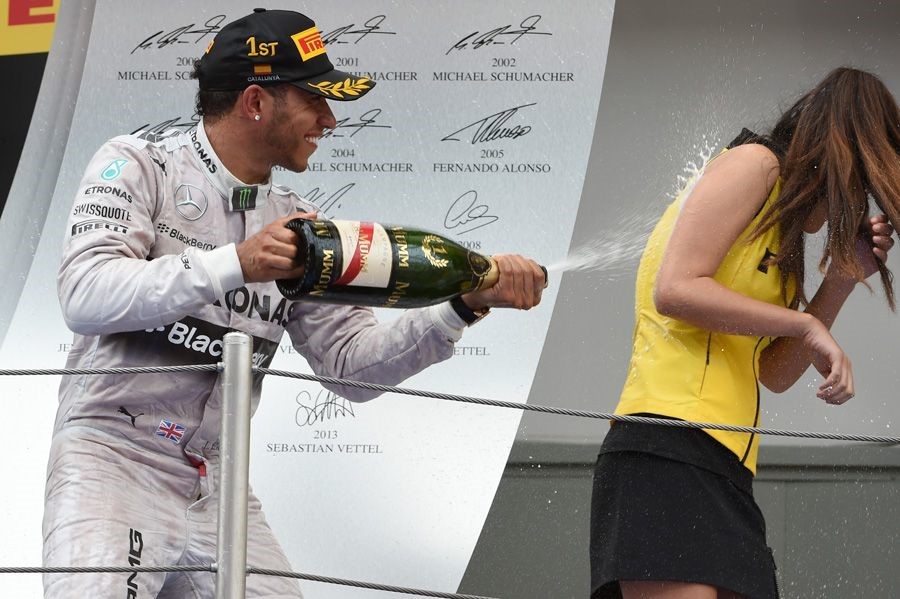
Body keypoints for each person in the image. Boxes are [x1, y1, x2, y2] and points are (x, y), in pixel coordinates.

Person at [42, 8, 545, 598]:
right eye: (316, 102)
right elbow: (85, 293)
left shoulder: (302, 224)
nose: (329, 121)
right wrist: (236, 262)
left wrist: (458, 306)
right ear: (256, 103)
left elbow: (352, 368)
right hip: (113, 465)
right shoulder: (136, 164)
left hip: (219, 486)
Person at [590, 67, 900, 599]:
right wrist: (804, 323)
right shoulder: (755, 164)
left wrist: (841, 282)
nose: (848, 204)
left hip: (727, 467)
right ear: (841, 153)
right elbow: (676, 288)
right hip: (665, 446)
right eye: (859, 183)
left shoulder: (783, 231)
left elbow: (772, 373)